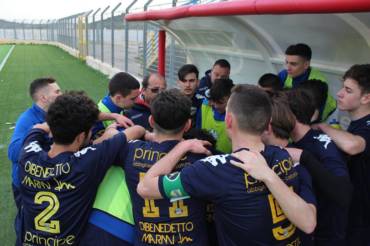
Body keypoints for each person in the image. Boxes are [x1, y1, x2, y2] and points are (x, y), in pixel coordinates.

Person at [137, 85, 317, 246]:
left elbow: (145, 188)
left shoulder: (215, 170)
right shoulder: (283, 156)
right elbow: (309, 222)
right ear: (268, 124)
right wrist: (269, 175)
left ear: (229, 120)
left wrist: (183, 145)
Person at [18, 91, 146, 246]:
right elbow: (136, 130)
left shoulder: (27, 154)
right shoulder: (86, 162)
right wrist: (109, 131)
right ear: (80, 137)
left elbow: (38, 127)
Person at [112, 89, 212, 245]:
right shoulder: (202, 156)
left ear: (151, 121)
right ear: (188, 125)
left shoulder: (129, 150)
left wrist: (139, 131)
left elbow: (106, 140)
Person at [314, 64, 370, 245]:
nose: (339, 94)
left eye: (348, 90)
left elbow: (354, 145)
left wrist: (322, 126)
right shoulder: (357, 123)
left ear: (366, 98)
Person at [287, 88, 350, 245]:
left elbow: (344, 193)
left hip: (328, 235)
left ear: (291, 116)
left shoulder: (322, 143)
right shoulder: (290, 143)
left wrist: (305, 158)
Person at [87, 72, 141, 245]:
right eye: (133, 98)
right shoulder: (98, 117)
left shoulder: (115, 109)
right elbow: (90, 150)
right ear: (118, 97)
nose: (136, 101)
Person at [278, 43, 336, 122]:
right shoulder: (284, 74)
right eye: (286, 62)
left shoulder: (318, 83)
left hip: (327, 116)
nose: (288, 68)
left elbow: (314, 118)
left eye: (293, 64)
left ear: (306, 65)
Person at [196, 78, 233, 153]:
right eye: (214, 101)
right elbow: (197, 131)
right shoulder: (205, 107)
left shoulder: (237, 118)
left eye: (220, 103)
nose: (216, 106)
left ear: (231, 99)